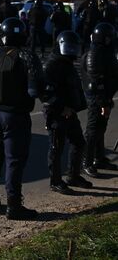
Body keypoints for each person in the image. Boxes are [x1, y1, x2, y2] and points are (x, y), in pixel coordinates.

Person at [0, 17, 44, 220]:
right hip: (15, 115)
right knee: (14, 160)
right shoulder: (27, 57)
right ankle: (14, 205)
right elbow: (34, 90)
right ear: (22, 34)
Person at [42, 31, 93, 194]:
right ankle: (55, 181)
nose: (71, 51)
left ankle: (73, 175)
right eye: (68, 47)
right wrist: (61, 107)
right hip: (56, 112)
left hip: (69, 112)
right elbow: (45, 92)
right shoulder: (51, 65)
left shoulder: (67, 63)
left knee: (78, 142)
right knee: (56, 148)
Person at [81, 22, 118, 177]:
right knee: (93, 129)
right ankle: (86, 162)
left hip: (105, 96)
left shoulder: (106, 52)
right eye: (108, 37)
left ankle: (99, 158)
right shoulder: (94, 54)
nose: (111, 40)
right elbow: (97, 80)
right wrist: (104, 102)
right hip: (97, 97)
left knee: (101, 128)